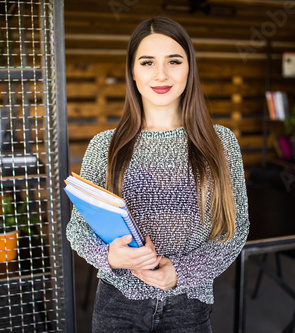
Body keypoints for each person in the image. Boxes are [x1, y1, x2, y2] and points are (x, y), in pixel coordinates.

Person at [66, 16, 249, 332]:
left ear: (189, 69)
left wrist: (180, 272)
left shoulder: (221, 143)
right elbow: (78, 229)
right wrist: (110, 256)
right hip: (117, 305)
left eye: (174, 61)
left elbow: (235, 229)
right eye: (148, 62)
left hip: (189, 307)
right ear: (133, 73)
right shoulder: (104, 145)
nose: (161, 74)